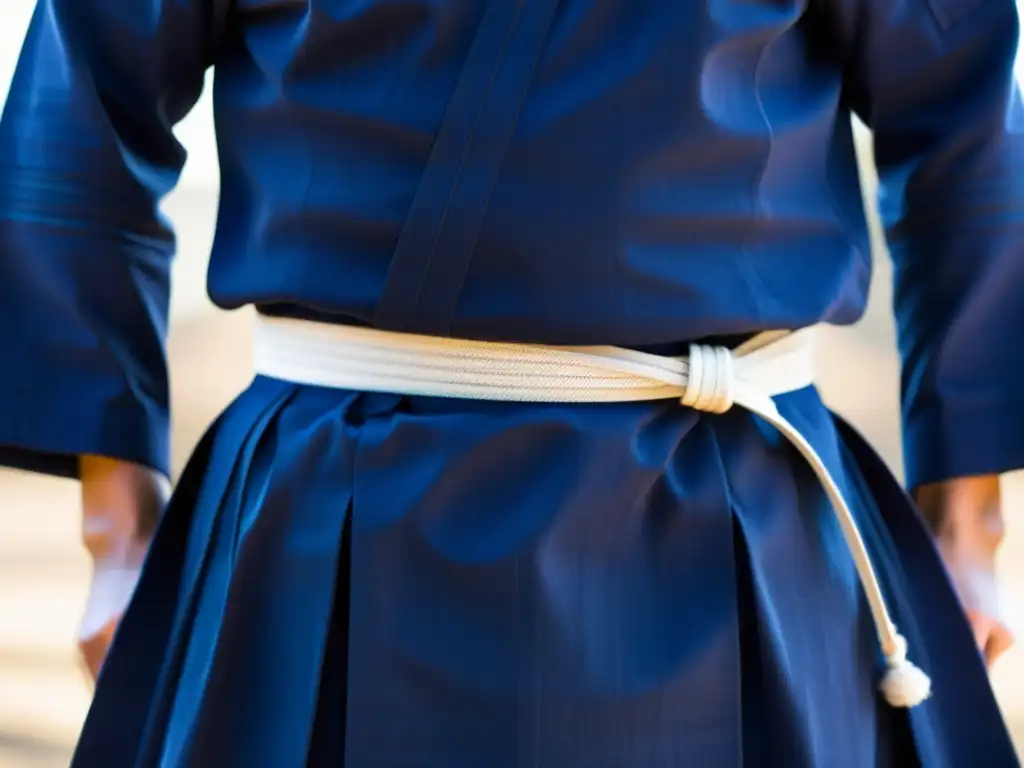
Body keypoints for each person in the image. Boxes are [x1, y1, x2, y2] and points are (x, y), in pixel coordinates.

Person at [0, 0, 1021, 763]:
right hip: (337, 505)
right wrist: (963, 532)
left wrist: (121, 532)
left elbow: (77, 119)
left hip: (724, 494)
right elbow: (969, 134)